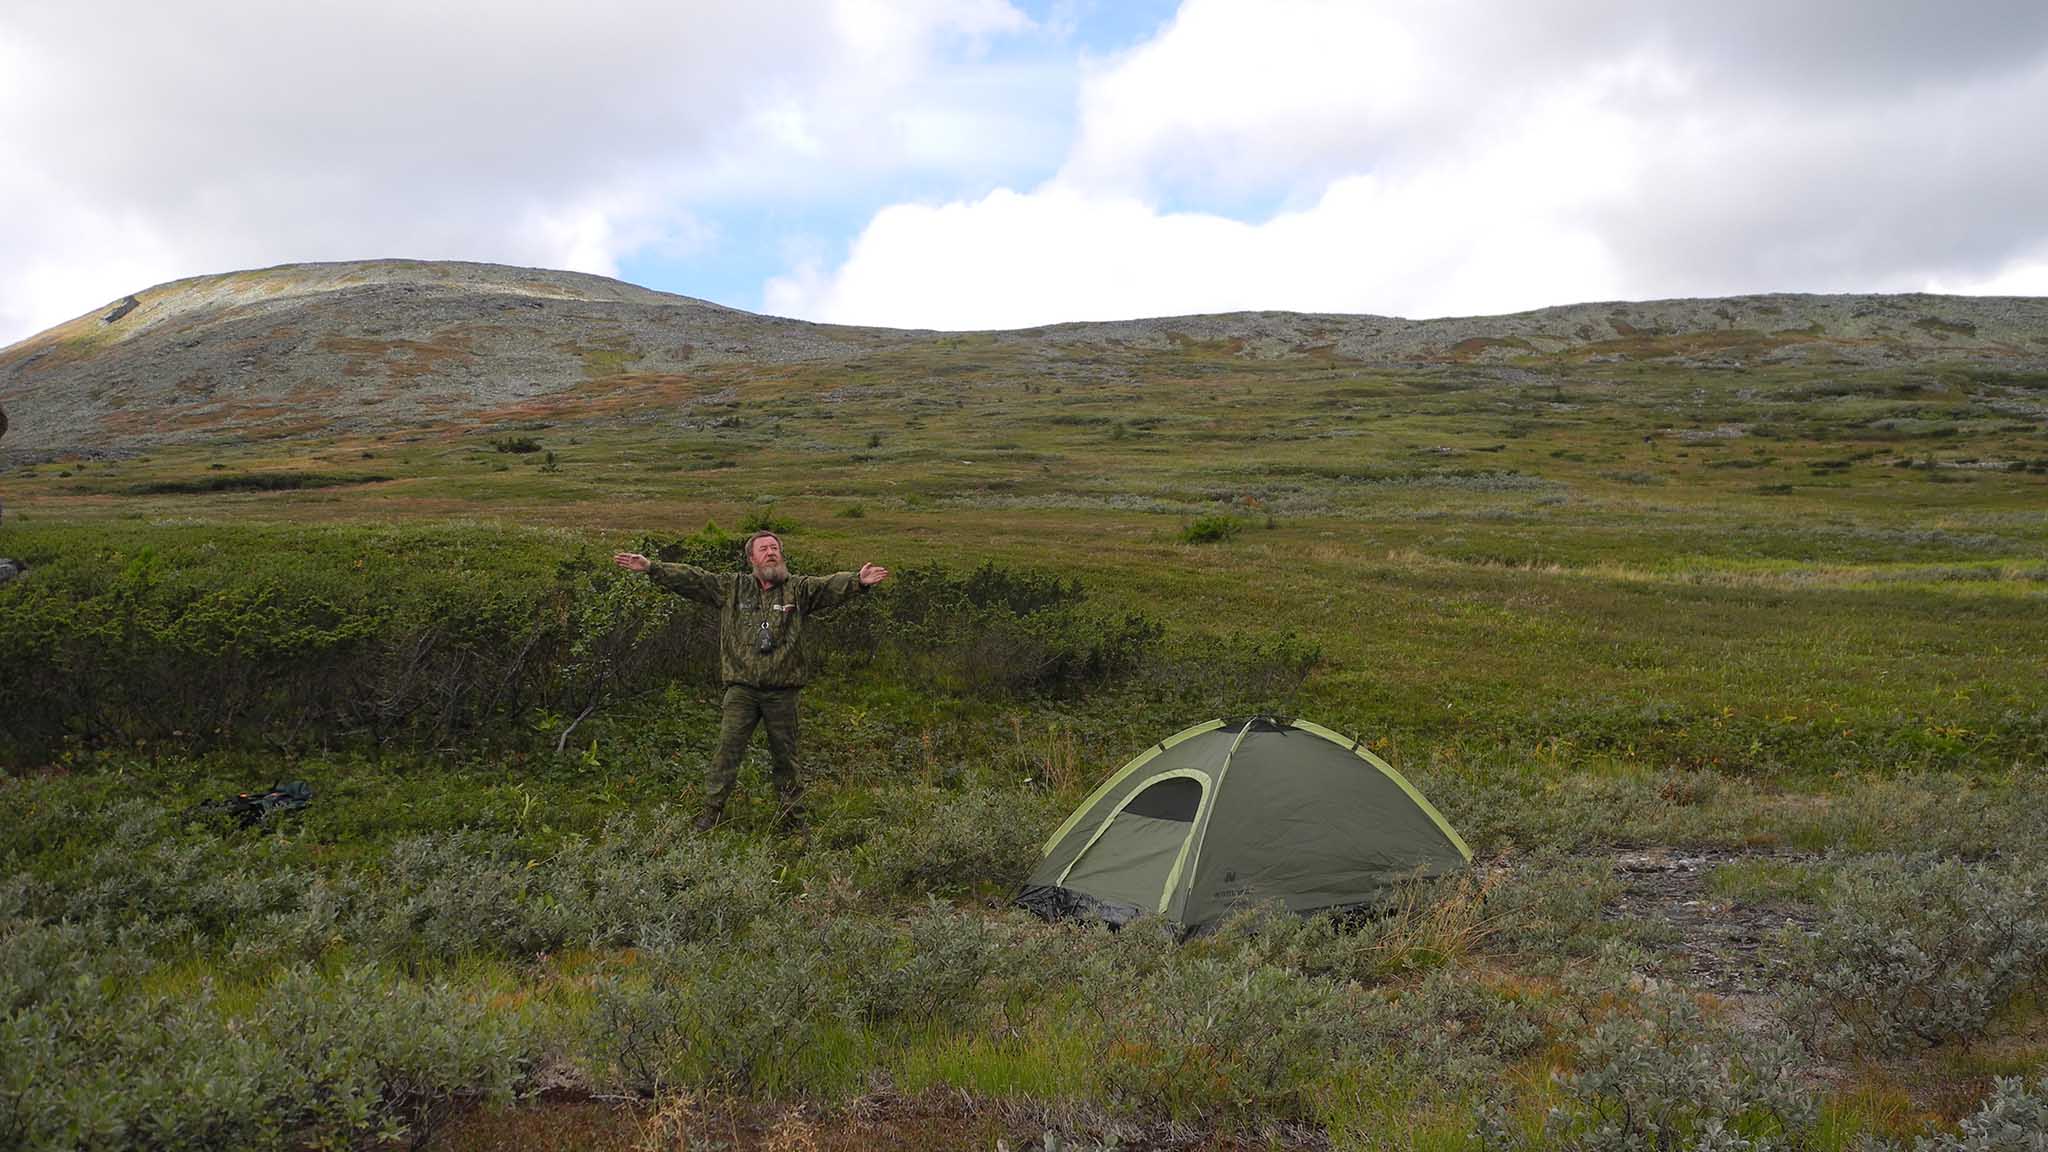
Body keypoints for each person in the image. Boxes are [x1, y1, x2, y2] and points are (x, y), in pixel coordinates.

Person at [613, 531, 887, 830]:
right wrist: (652, 567)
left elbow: (829, 585)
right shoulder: (732, 587)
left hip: (782, 692)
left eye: (775, 548)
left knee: (786, 759)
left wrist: (858, 581)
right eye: (764, 549)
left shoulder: (799, 590)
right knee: (727, 752)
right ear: (751, 558)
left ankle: (793, 820)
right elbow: (694, 579)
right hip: (741, 690)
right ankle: (711, 814)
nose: (771, 553)